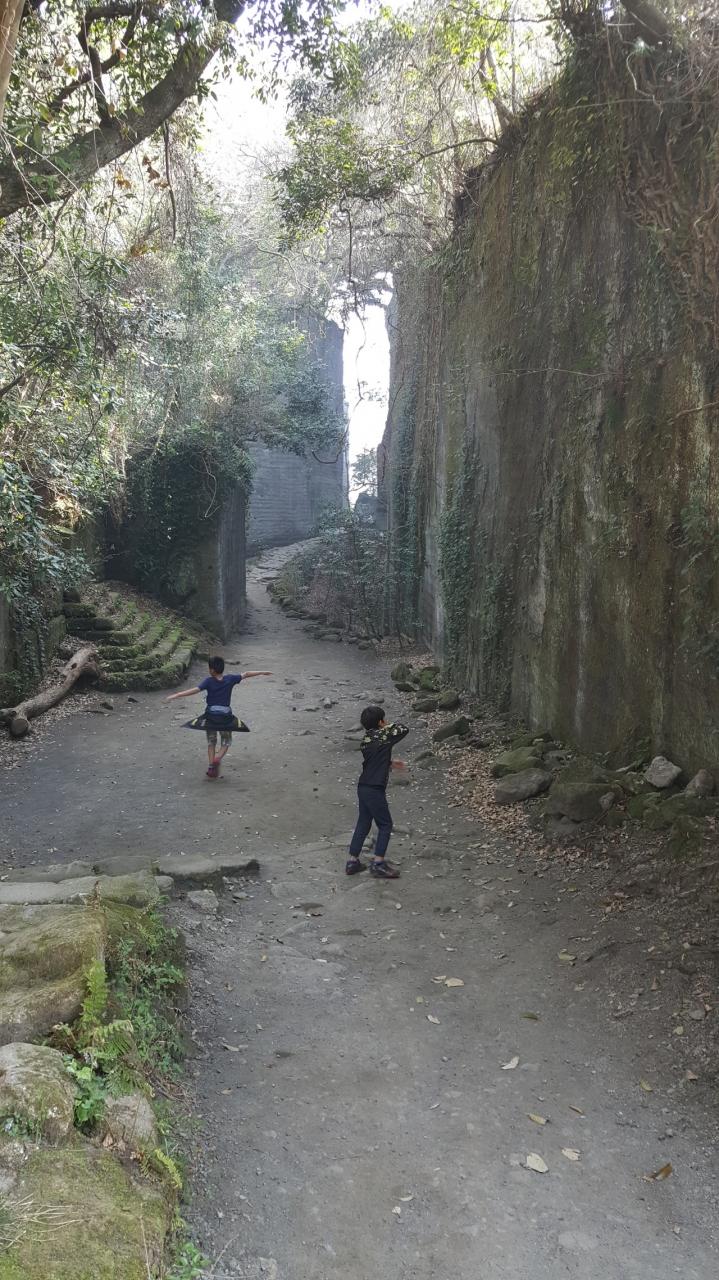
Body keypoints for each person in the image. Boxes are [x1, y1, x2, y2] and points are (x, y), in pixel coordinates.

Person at [166, 656, 272, 778]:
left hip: (210, 717)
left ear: (212, 670)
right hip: (226, 718)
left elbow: (195, 690)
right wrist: (263, 672)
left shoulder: (208, 681)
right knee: (226, 742)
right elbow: (246, 674)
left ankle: (211, 767)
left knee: (211, 742)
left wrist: (176, 695)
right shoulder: (230, 679)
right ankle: (218, 758)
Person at [346, 705, 409, 879]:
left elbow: (373, 759)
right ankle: (378, 864)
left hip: (363, 786)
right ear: (381, 722)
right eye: (384, 720)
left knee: (363, 823)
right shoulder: (384, 735)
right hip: (375, 788)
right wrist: (385, 726)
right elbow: (404, 729)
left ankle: (352, 862)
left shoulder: (365, 740)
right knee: (385, 824)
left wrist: (390, 763)